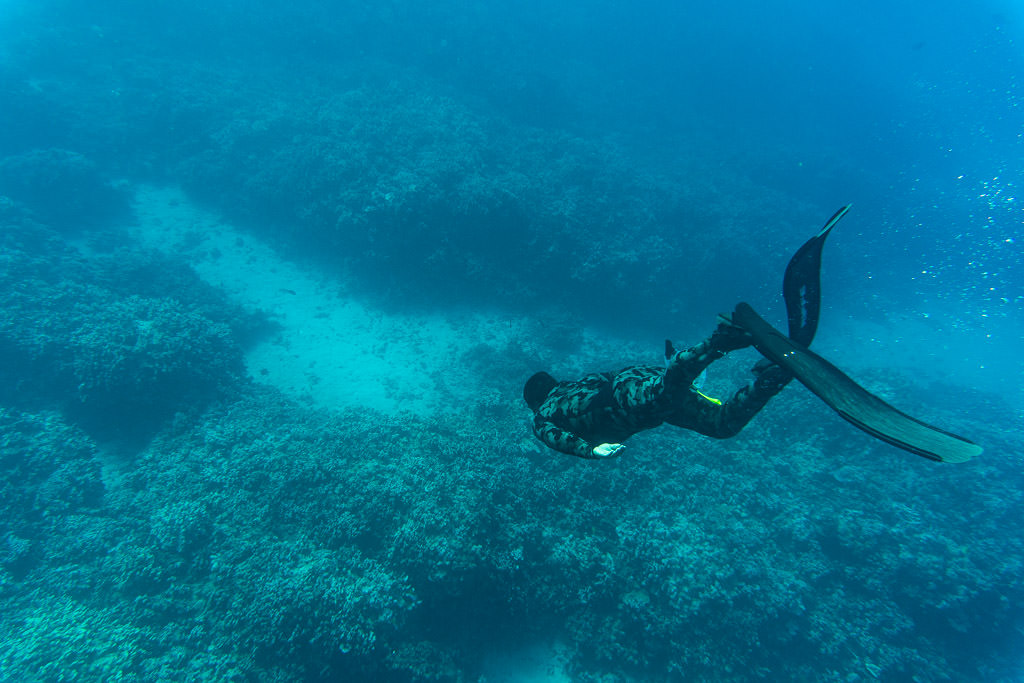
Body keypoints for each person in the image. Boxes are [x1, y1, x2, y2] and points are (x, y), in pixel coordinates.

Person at [523, 318, 792, 459]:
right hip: (632, 383)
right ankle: (767, 381)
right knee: (720, 425)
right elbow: (616, 376)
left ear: (534, 401)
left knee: (668, 392)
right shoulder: (572, 385)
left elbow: (553, 437)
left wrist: (589, 451)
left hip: (622, 402)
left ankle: (718, 342)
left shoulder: (541, 415)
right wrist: (664, 371)